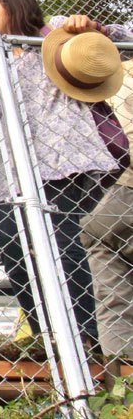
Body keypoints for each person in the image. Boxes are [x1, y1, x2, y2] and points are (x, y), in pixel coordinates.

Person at [0, 0, 130, 352]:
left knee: (68, 248)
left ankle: (88, 337)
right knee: (14, 250)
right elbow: (0, 126)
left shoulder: (54, 35)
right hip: (17, 174)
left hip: (66, 162)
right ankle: (46, 336)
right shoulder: (1, 61)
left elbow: (122, 41)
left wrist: (93, 27)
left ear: (14, 8)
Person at [82, 60, 133, 359]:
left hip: (109, 195)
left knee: (113, 300)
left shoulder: (102, 76)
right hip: (118, 191)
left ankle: (122, 380)